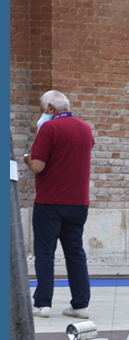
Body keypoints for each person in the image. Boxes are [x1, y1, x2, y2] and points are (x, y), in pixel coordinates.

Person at [23, 89, 94, 318]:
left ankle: (43, 304)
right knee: (75, 252)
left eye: (42, 109)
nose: (42, 113)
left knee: (45, 253)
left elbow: (37, 166)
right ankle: (80, 304)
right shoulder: (85, 129)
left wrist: (27, 159)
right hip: (78, 202)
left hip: (49, 201)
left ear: (50, 108)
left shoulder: (49, 128)